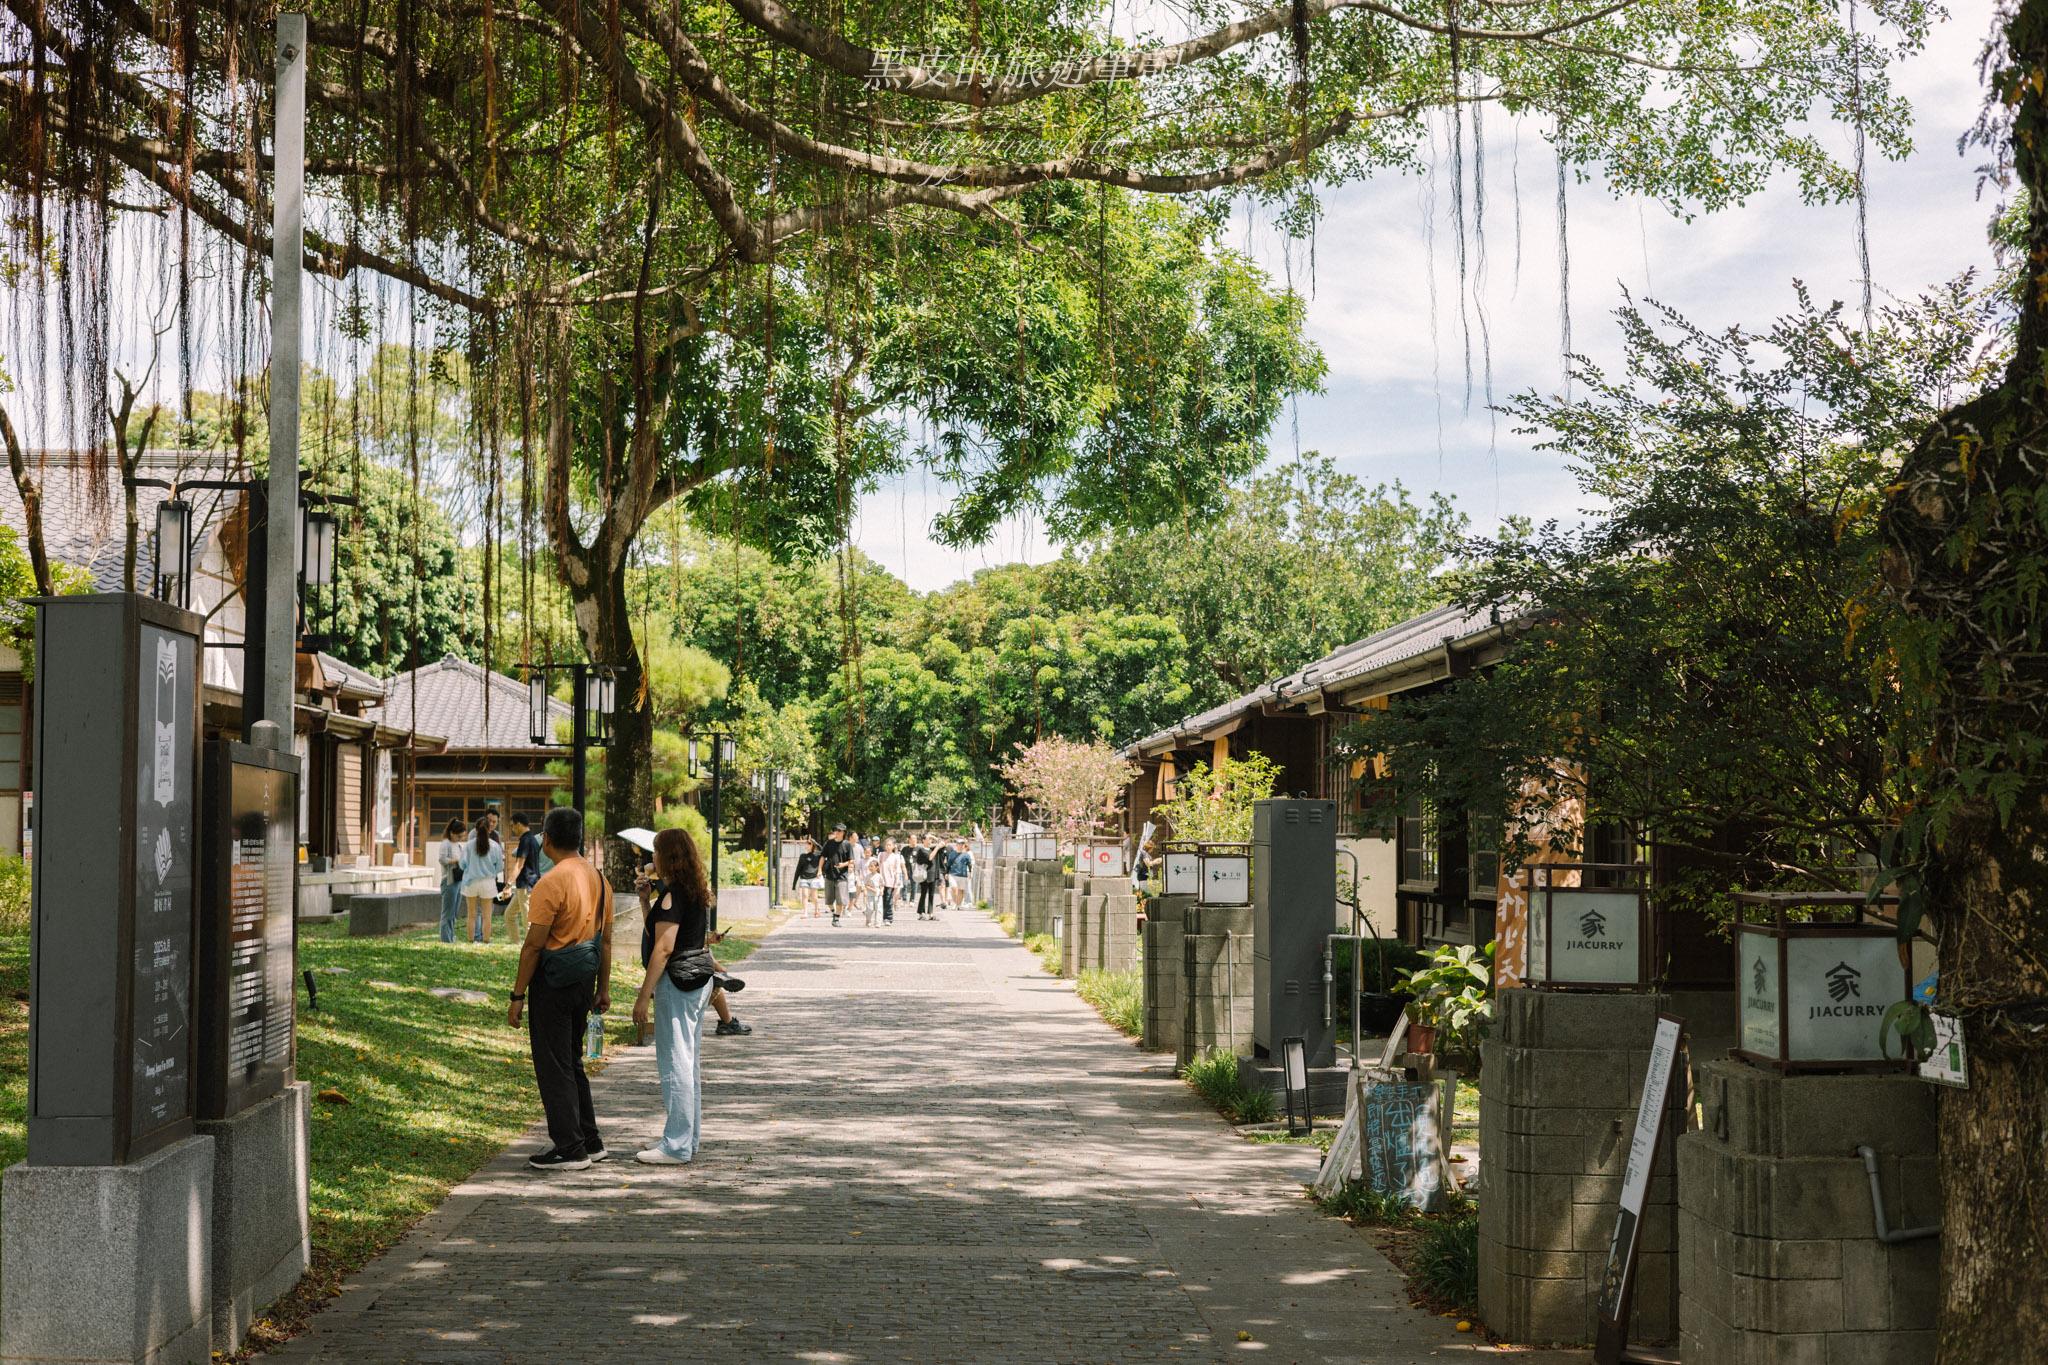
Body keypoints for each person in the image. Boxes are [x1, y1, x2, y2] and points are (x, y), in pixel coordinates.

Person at [508, 806, 614, 1170]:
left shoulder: (550, 883)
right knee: (571, 1059)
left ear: (547, 839)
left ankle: (569, 1147)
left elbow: (534, 945)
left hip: (553, 981)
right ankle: (589, 1138)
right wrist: (604, 987)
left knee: (553, 1064)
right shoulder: (599, 878)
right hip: (585, 978)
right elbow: (607, 941)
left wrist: (517, 996)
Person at [630, 827, 722, 1164]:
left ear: (667, 856)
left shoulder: (671, 896)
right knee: (689, 1063)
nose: (651, 858)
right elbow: (657, 936)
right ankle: (688, 1138)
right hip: (698, 981)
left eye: (655, 852)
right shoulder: (693, 890)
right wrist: (645, 902)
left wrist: (644, 996)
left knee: (675, 1064)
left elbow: (663, 949)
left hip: (678, 984)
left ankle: (676, 1144)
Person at [460, 816, 506, 944]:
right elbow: (500, 867)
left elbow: (462, 864)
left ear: (475, 829)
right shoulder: (495, 846)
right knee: (487, 915)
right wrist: (491, 872)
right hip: (488, 882)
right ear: (489, 830)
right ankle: (486, 940)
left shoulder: (468, 846)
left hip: (471, 882)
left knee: (471, 914)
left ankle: (470, 940)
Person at [503, 812, 543, 942]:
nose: (512, 829)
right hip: (526, 884)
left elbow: (519, 865)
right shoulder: (532, 839)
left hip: (527, 885)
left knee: (528, 922)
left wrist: (508, 885)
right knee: (509, 915)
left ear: (519, 824)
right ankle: (516, 945)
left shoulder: (526, 840)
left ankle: (531, 950)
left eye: (513, 826)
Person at [437, 817, 467, 943]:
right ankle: (446, 939)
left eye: (462, 837)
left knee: (454, 913)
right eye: (459, 836)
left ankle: (451, 936)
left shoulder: (458, 845)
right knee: (448, 913)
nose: (460, 839)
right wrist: (456, 860)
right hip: (449, 880)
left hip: (458, 880)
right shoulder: (446, 844)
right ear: (452, 833)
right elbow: (442, 860)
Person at [822, 823, 852, 926]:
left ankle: (836, 919)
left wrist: (843, 864)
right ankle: (834, 913)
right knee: (829, 901)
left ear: (843, 832)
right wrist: (818, 870)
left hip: (842, 876)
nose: (837, 832)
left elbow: (851, 861)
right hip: (829, 875)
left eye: (839, 831)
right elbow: (822, 857)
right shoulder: (829, 843)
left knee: (841, 900)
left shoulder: (847, 844)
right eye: (835, 830)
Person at [794, 836, 825, 916]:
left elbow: (823, 851)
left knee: (814, 897)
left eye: (809, 843)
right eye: (806, 843)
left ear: (812, 845)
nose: (807, 845)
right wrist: (794, 884)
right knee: (805, 895)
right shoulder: (802, 856)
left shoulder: (817, 855)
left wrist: (815, 842)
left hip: (814, 878)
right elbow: (798, 869)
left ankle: (817, 909)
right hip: (804, 878)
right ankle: (805, 912)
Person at [879, 837, 906, 926]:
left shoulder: (896, 857)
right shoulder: (881, 855)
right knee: (880, 900)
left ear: (894, 846)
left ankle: (888, 918)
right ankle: (880, 917)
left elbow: (897, 870)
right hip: (881, 881)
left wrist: (897, 883)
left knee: (888, 900)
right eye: (886, 844)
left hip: (891, 881)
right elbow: (878, 866)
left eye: (889, 845)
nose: (887, 846)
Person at [910, 835, 937, 920]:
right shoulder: (921, 850)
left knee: (932, 895)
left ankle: (931, 913)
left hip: (932, 874)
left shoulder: (932, 849)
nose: (930, 841)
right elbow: (930, 857)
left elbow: (942, 842)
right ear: (923, 840)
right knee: (923, 894)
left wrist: (933, 836)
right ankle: (921, 913)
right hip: (924, 874)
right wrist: (937, 847)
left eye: (931, 840)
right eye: (929, 839)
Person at [948, 838, 974, 909]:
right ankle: (955, 903)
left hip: (963, 875)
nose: (961, 845)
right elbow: (948, 864)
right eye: (959, 844)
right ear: (956, 845)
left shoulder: (966, 855)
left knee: (961, 890)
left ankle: (958, 904)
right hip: (953, 874)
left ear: (964, 845)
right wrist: (946, 873)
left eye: (962, 844)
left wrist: (970, 873)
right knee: (954, 887)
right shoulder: (952, 854)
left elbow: (969, 864)